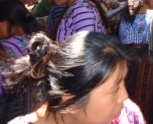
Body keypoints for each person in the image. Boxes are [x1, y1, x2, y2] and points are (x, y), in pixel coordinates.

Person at [6, 31, 145, 124]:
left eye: (122, 82)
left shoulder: (127, 115)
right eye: (115, 89)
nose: (125, 96)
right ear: (72, 102)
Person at [0, 0, 38, 97]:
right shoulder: (35, 41)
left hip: (8, 105)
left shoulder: (4, 48)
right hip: (32, 101)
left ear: (5, 22)